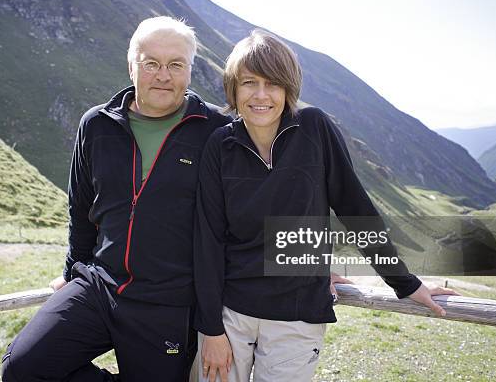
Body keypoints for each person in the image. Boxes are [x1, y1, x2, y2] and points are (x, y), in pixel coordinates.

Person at [193, 30, 458, 382]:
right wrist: (211, 329)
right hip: (231, 315)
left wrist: (404, 283)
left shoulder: (314, 128)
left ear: (288, 88)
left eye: (272, 84)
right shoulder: (220, 145)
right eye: (248, 83)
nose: (260, 95)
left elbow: (356, 210)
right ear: (233, 88)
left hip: (299, 315)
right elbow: (208, 239)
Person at [1, 16, 231, 382]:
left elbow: (269, 200)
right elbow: (81, 210)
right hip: (99, 286)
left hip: (169, 304)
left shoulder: (218, 131)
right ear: (131, 66)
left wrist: (311, 262)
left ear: (190, 70)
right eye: (151, 63)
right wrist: (70, 272)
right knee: (23, 368)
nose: (163, 75)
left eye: (175, 64)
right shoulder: (96, 124)